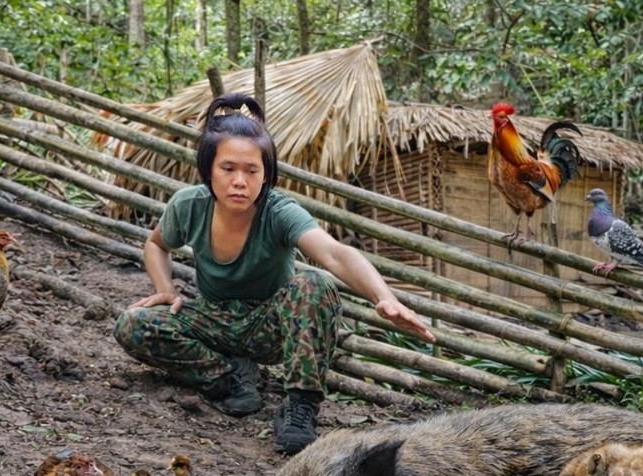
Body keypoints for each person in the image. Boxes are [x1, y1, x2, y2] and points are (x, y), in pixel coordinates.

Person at [114, 93, 435, 455]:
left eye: (252, 171)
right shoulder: (189, 206)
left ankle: (300, 406)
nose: (240, 181)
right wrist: (166, 288)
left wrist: (385, 298)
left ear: (266, 174)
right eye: (228, 168)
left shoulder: (279, 211)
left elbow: (334, 253)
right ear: (208, 170)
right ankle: (229, 377)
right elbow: (156, 244)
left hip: (273, 327)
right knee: (132, 323)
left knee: (314, 282)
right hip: (214, 322)